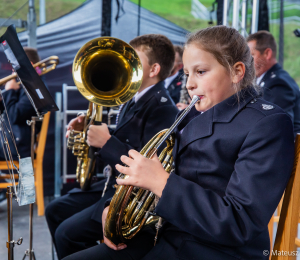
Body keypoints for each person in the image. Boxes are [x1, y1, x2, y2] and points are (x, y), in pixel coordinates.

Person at [63, 26, 295, 260]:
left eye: (201, 72)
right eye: (186, 74)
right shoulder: (192, 114)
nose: (189, 84)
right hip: (166, 232)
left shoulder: (267, 123)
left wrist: (161, 182)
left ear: (236, 72)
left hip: (212, 249)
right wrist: (115, 210)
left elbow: (240, 221)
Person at [45, 34, 179, 260]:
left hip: (128, 197)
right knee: (54, 211)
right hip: (111, 184)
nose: (127, 65)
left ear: (154, 69)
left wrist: (106, 142)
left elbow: (146, 165)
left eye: (134, 60)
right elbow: (129, 139)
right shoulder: (134, 98)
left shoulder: (163, 108)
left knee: (66, 234)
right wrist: (86, 128)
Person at [247, 30, 300, 136]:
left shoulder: (278, 84)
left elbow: (277, 128)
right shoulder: (268, 79)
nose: (247, 61)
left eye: (251, 55)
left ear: (267, 53)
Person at [0, 47, 43, 160]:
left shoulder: (36, 88)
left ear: (29, 64)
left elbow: (14, 115)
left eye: (14, 65)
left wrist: (9, 91)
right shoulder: (24, 86)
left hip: (18, 147)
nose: (12, 70)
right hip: (11, 141)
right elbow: (9, 110)